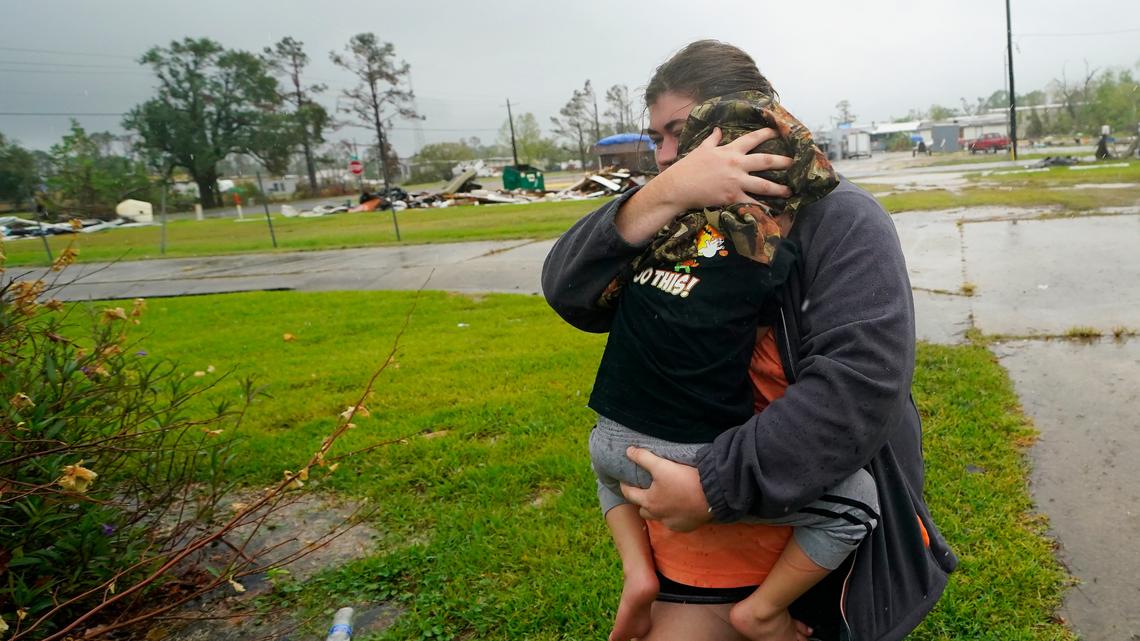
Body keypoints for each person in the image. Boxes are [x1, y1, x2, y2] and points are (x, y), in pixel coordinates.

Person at [542, 40, 957, 641]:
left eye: (679, 133)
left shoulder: (843, 220)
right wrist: (664, 194)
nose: (665, 156)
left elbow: (858, 388)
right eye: (657, 139)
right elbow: (568, 292)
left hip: (811, 545)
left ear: (745, 121)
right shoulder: (675, 213)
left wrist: (712, 487)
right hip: (696, 547)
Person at [579, 87, 879, 641]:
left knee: (611, 469)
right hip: (677, 460)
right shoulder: (768, 255)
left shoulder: (657, 230)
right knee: (856, 502)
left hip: (608, 443)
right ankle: (763, 611)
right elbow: (757, 336)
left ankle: (637, 572)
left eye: (674, 138)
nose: (665, 155)